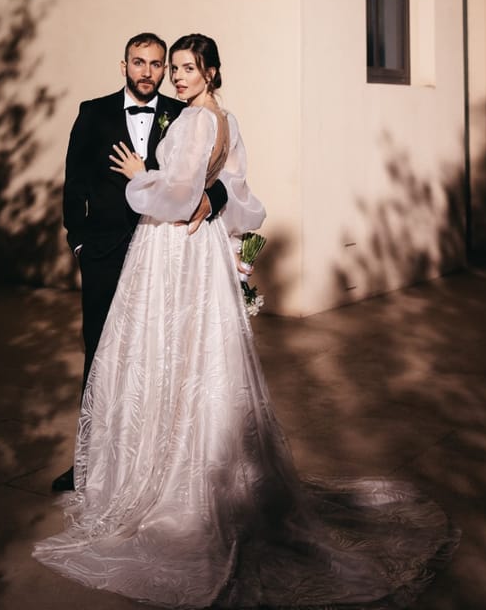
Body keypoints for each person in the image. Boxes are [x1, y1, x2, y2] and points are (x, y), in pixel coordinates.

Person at [35, 33, 459, 607]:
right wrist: (214, 207)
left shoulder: (188, 121)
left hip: (169, 254)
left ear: (210, 71)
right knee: (194, 355)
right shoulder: (227, 119)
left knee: (158, 353)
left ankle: (156, 470)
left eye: (186, 68)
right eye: (174, 68)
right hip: (200, 255)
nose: (177, 77)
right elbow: (244, 200)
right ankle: (181, 456)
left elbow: (176, 197)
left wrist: (141, 175)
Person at [52, 31, 229, 492]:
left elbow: (218, 173)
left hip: (162, 257)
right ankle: (88, 462)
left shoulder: (184, 111)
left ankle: (142, 459)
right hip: (106, 256)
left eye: (158, 64)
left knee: (155, 357)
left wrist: (210, 200)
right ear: (124, 64)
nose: (150, 73)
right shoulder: (93, 114)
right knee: (101, 357)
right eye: (140, 63)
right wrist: (80, 244)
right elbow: (74, 185)